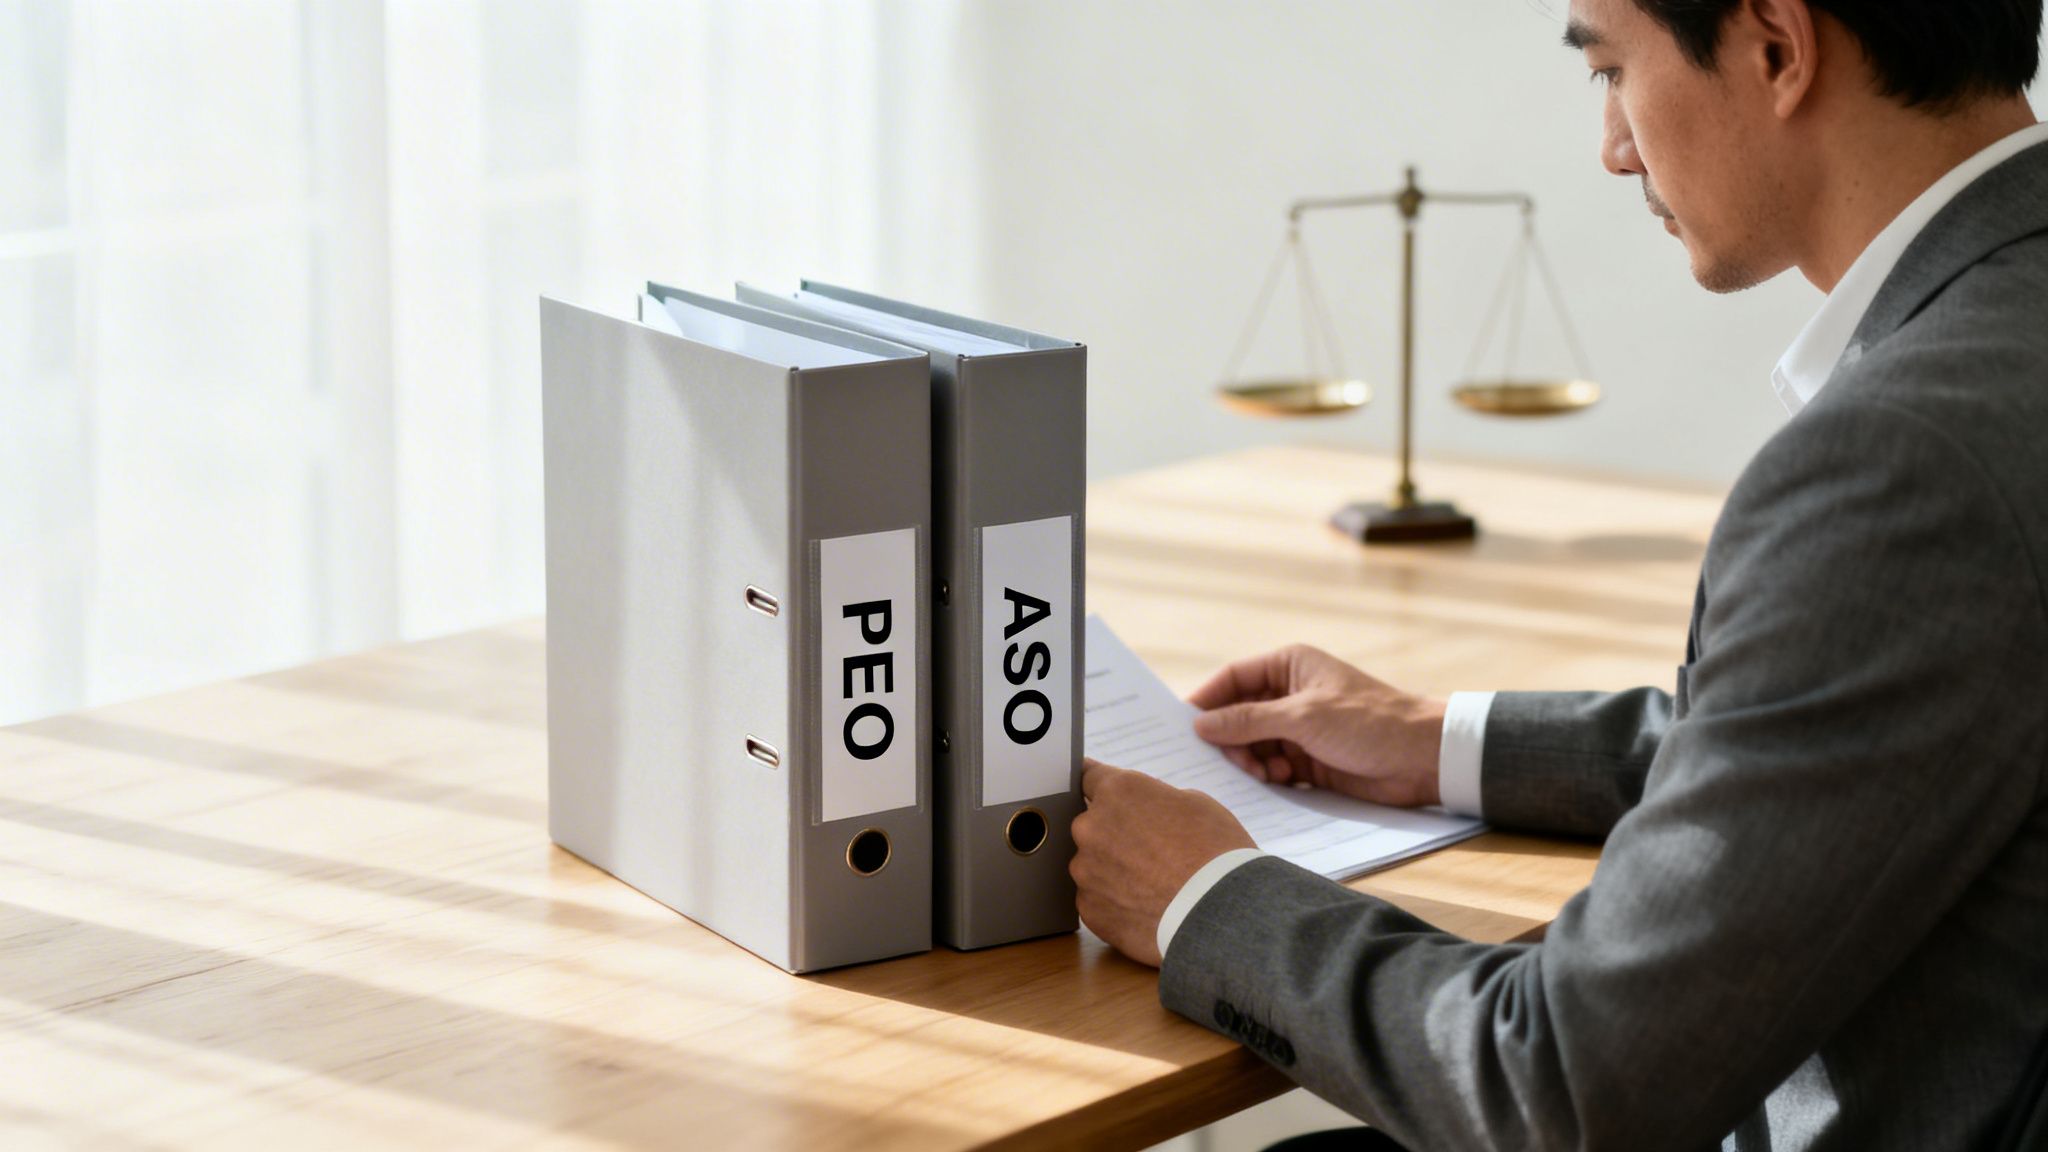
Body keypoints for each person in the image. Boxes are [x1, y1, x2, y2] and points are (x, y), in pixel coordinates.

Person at [1068, 0, 2048, 1148]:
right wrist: (1433, 736)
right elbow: (1868, 734)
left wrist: (1203, 899)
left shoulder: (1898, 463)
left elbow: (1565, 1087)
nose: (1611, 146)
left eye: (1610, 69)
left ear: (1776, 49)